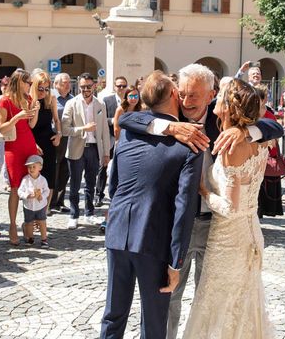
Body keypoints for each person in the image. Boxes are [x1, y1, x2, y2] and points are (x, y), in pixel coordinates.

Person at [117, 64, 283, 339]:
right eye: (181, 94)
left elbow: (273, 125)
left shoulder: (224, 119)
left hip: (217, 227)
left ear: (212, 96)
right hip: (177, 225)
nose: (185, 101)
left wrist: (245, 132)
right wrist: (170, 127)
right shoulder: (173, 119)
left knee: (209, 298)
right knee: (170, 297)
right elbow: (127, 120)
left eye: (194, 95)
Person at [100, 72, 204, 339]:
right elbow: (185, 207)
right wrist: (176, 262)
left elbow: (113, 185)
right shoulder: (189, 145)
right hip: (154, 240)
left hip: (118, 230)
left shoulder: (128, 135)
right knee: (154, 323)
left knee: (113, 315)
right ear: (172, 95)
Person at [182, 78, 275, 338]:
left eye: (220, 96)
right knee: (241, 300)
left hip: (229, 238)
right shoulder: (258, 141)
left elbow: (230, 208)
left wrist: (202, 189)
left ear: (229, 107)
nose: (215, 100)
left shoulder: (233, 148)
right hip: (249, 230)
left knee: (219, 302)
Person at [61, 72, 111, 229]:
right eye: (82, 87)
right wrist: (84, 128)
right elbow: (64, 129)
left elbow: (104, 131)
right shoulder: (72, 103)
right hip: (77, 148)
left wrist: (106, 153)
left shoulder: (100, 105)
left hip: (94, 149)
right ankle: (73, 215)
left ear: (94, 86)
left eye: (88, 86)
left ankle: (89, 214)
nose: (85, 89)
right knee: (75, 184)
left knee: (91, 184)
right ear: (79, 86)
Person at [0, 69, 40, 245]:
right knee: (15, 187)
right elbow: (1, 128)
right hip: (13, 147)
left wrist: (34, 111)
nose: (30, 84)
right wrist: (18, 116)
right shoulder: (5, 100)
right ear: (18, 82)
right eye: (27, 81)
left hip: (28, 144)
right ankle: (12, 225)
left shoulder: (28, 99)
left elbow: (31, 124)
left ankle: (28, 223)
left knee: (32, 183)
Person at [30, 70, 60, 213]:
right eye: (40, 88)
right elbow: (30, 126)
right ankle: (35, 210)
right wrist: (35, 108)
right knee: (35, 178)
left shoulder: (51, 99)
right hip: (33, 142)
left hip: (48, 142)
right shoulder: (29, 101)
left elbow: (56, 119)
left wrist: (59, 134)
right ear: (34, 87)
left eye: (47, 89)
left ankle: (44, 211)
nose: (43, 92)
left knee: (49, 177)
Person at [255, 84, 284, 218]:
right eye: (265, 96)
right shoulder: (252, 114)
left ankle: (262, 212)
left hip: (267, 155)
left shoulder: (269, 114)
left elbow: (276, 133)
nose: (267, 99)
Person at [100, 76, 128, 206]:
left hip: (126, 138)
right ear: (114, 87)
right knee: (104, 165)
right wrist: (114, 120)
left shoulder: (131, 101)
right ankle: (99, 193)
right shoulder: (107, 100)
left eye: (123, 86)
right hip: (110, 137)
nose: (121, 88)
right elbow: (101, 119)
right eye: (119, 86)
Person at [50, 73, 73, 213]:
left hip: (69, 137)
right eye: (64, 82)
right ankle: (50, 202)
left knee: (65, 170)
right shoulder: (51, 98)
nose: (67, 84)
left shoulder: (73, 99)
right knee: (54, 169)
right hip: (54, 137)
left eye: (69, 82)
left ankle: (60, 201)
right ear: (56, 84)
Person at [18, 155, 50, 247]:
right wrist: (27, 195)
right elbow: (20, 191)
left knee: (42, 222)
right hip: (28, 206)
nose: (31, 169)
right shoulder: (25, 179)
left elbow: (47, 191)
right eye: (29, 167)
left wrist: (42, 196)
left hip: (40, 205)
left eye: (33, 167)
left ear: (40, 167)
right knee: (28, 223)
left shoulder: (43, 180)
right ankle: (30, 238)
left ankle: (44, 239)